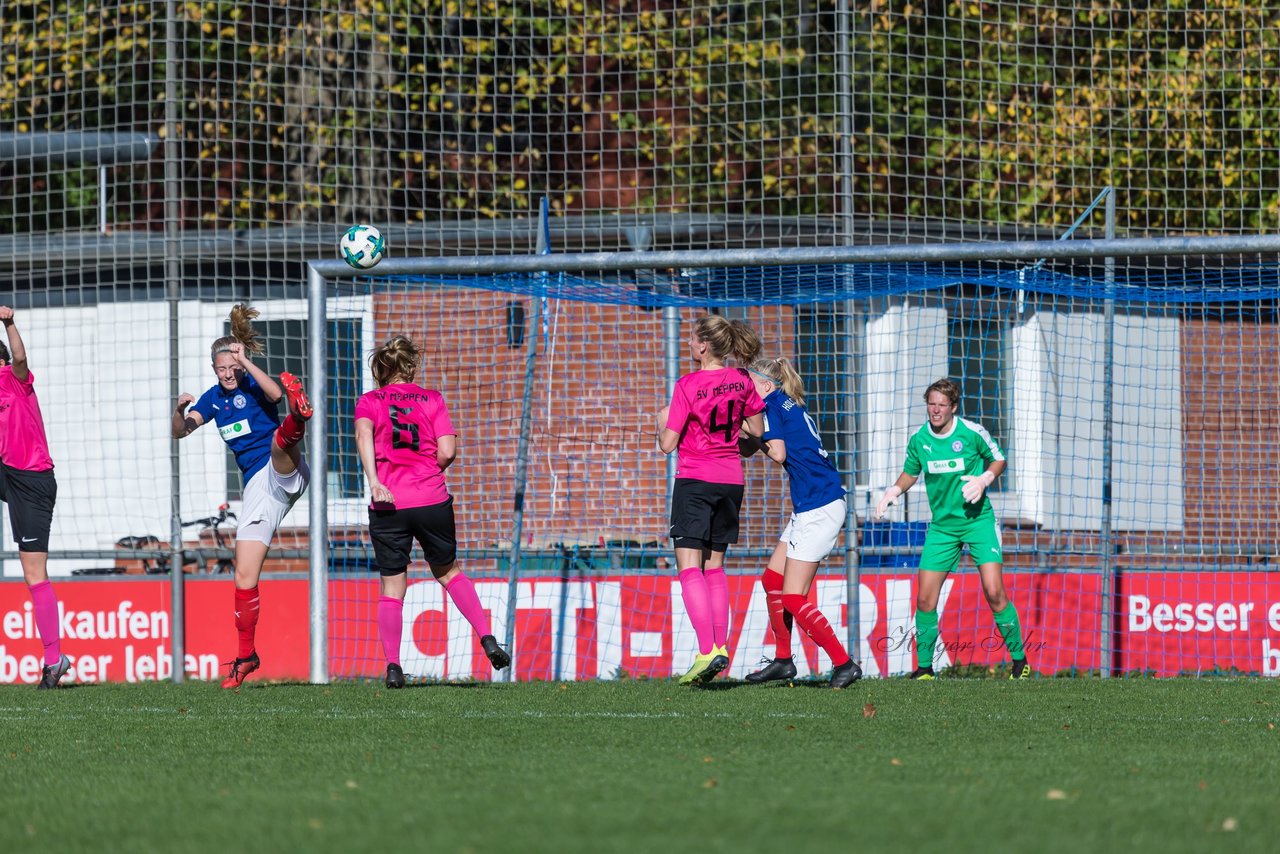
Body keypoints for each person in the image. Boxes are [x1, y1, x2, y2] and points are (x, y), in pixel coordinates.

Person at [354, 335, 510, 688]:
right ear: (411, 367)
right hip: (430, 498)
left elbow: (363, 435)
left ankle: (393, 666)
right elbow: (448, 451)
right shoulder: (432, 399)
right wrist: (428, 471)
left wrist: (376, 480)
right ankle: (486, 637)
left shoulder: (369, 401)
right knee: (450, 572)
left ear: (381, 369)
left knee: (392, 588)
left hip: (388, 501)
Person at [172, 304, 312, 690]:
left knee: (277, 447)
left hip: (283, 469)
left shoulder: (251, 383)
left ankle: (298, 421)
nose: (228, 374)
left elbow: (275, 392)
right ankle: (246, 656)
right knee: (244, 575)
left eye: (232, 367)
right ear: (213, 369)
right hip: (258, 491)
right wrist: (179, 410)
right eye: (222, 368)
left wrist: (246, 363)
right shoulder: (213, 399)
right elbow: (181, 431)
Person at [874, 378, 1029, 679]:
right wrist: (894, 491)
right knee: (924, 599)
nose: (935, 410)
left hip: (978, 522)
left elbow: (999, 460)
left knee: (994, 592)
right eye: (931, 403)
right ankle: (924, 669)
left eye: (942, 405)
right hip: (943, 528)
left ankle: (1020, 661)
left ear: (953, 407)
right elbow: (911, 472)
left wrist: (984, 480)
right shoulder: (920, 439)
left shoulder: (971, 433)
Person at [740, 357, 861, 689]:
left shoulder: (771, 404)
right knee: (771, 580)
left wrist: (742, 424)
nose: (745, 388)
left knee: (794, 597)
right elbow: (752, 447)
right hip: (812, 503)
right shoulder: (782, 403)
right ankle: (783, 660)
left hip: (820, 506)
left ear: (765, 384)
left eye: (749, 381)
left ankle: (844, 663)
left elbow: (776, 452)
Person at [658, 315, 765, 685]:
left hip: (695, 478)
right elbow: (757, 432)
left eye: (691, 340)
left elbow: (667, 444)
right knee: (715, 568)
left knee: (689, 567)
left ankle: (707, 651)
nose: (689, 345)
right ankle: (720, 648)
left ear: (704, 345)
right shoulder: (741, 380)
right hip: (731, 480)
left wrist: (663, 421)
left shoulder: (687, 385)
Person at [0, 306, 71, 689]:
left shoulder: (12, 380)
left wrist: (8, 323)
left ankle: (54, 660)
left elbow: (21, 358)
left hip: (32, 480)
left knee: (33, 574)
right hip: (8, 474)